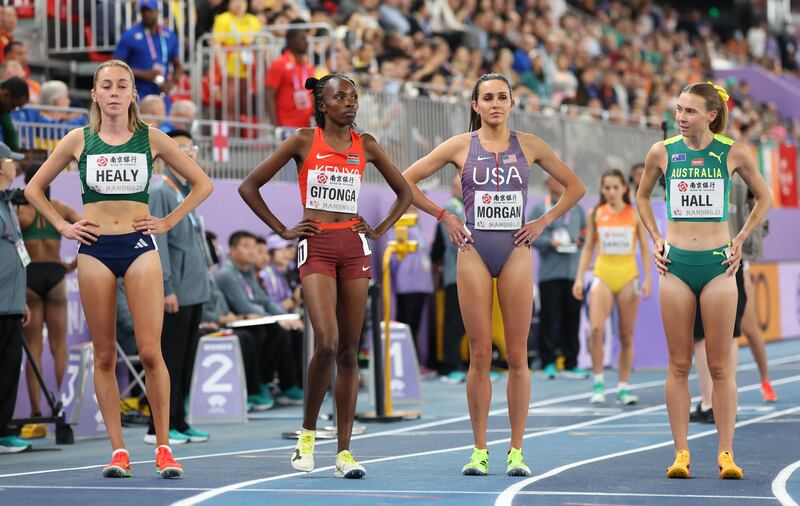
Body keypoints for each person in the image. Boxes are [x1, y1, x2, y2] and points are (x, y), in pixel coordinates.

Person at [24, 60, 212, 478]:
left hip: (139, 244)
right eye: (105, 85)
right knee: (105, 354)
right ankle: (118, 452)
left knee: (149, 352)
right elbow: (33, 188)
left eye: (121, 85)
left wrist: (167, 221)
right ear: (94, 94)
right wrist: (62, 225)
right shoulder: (78, 139)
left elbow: (203, 184)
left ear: (132, 95)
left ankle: (163, 446)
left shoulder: (152, 138)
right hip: (94, 248)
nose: (112, 92)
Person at [403, 73, 585, 477]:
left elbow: (574, 187)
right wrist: (445, 215)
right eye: (488, 98)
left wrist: (542, 221)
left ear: (512, 103)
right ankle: (479, 449)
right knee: (480, 354)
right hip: (473, 250)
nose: (496, 104)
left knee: (518, 356)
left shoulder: (530, 145)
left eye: (503, 96)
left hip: (517, 250)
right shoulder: (459, 146)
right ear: (475, 105)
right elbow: (405, 181)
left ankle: (516, 451)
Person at [239, 74, 412, 479]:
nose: (350, 103)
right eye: (340, 97)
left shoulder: (365, 144)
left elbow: (404, 191)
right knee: (327, 342)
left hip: (354, 247)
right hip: (315, 244)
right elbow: (250, 187)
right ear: (322, 104)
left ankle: (345, 451)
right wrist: (283, 229)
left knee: (351, 351)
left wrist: (380, 229)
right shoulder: (303, 140)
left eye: (354, 96)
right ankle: (308, 433)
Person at [636, 82, 771, 480]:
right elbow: (641, 196)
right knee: (678, 364)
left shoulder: (731, 152)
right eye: (678, 109)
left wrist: (740, 240)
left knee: (719, 366)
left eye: (690, 111)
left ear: (711, 115)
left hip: (717, 265)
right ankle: (681, 454)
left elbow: (763, 197)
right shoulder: (662, 152)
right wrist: (656, 239)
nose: (681, 117)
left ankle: (726, 454)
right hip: (675, 264)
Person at [144, 129, 212, 445]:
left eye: (192, 148)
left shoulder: (188, 189)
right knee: (168, 359)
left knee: (185, 360)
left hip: (195, 290)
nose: (189, 154)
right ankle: (157, 425)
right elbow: (160, 243)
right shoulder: (162, 190)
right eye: (181, 149)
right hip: (176, 293)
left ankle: (180, 420)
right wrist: (166, 287)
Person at [572, 169, 652, 405]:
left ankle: (623, 387)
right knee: (596, 330)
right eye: (606, 188)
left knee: (626, 335)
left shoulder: (635, 214)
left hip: (628, 277)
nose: (611, 192)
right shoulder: (596, 212)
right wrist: (579, 278)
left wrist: (647, 278)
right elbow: (588, 248)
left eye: (616, 187)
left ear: (624, 189)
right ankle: (598, 383)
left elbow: (646, 249)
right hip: (603, 275)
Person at [16, 163, 81, 439]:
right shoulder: (61, 209)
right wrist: (72, 266)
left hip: (31, 275)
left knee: (33, 348)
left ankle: (36, 411)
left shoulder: (20, 210)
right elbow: (90, 233)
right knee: (58, 347)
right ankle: (62, 409)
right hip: (55, 275)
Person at [531, 175, 589, 380]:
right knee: (549, 317)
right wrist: (549, 242)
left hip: (573, 272)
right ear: (546, 183)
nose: (558, 182)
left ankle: (571, 362)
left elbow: (586, 233)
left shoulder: (578, 209)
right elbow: (531, 237)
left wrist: (583, 238)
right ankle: (548, 362)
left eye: (561, 179)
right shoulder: (540, 209)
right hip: (550, 273)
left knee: (572, 317)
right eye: (554, 179)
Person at [0, 144, 32, 453]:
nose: (16, 166)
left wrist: (19, 298)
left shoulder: (8, 201)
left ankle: (3, 430)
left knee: (9, 368)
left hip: (10, 303)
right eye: (12, 161)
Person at [432, 174, 468, 383]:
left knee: (467, 322)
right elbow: (442, 246)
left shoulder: (469, 208)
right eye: (460, 186)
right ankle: (450, 366)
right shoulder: (450, 210)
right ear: (454, 189)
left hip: (470, 275)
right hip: (454, 275)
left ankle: (462, 363)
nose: (465, 189)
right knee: (453, 322)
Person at [112, 0, 182, 102]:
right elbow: (115, 65)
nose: (146, 14)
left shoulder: (169, 35)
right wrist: (143, 74)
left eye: (150, 10)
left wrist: (171, 83)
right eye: (143, 11)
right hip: (137, 94)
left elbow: (178, 66)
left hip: (161, 94)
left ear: (157, 11)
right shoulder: (130, 35)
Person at [211, 0, 262, 122]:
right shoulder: (223, 19)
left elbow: (260, 43)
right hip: (229, 70)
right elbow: (216, 43)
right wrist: (223, 67)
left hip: (249, 71)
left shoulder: (253, 20)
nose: (238, 3)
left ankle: (246, 137)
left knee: (248, 106)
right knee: (229, 105)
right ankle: (229, 136)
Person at [265, 19, 315, 128]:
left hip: (306, 127)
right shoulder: (279, 64)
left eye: (307, 38)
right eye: (302, 38)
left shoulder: (308, 66)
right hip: (286, 127)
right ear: (291, 40)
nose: (306, 41)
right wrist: (276, 127)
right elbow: (269, 95)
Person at [0, 76, 29, 150]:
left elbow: (9, 131)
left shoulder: (3, 107)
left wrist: (15, 152)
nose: (12, 110)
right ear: (5, 94)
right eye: (13, 105)